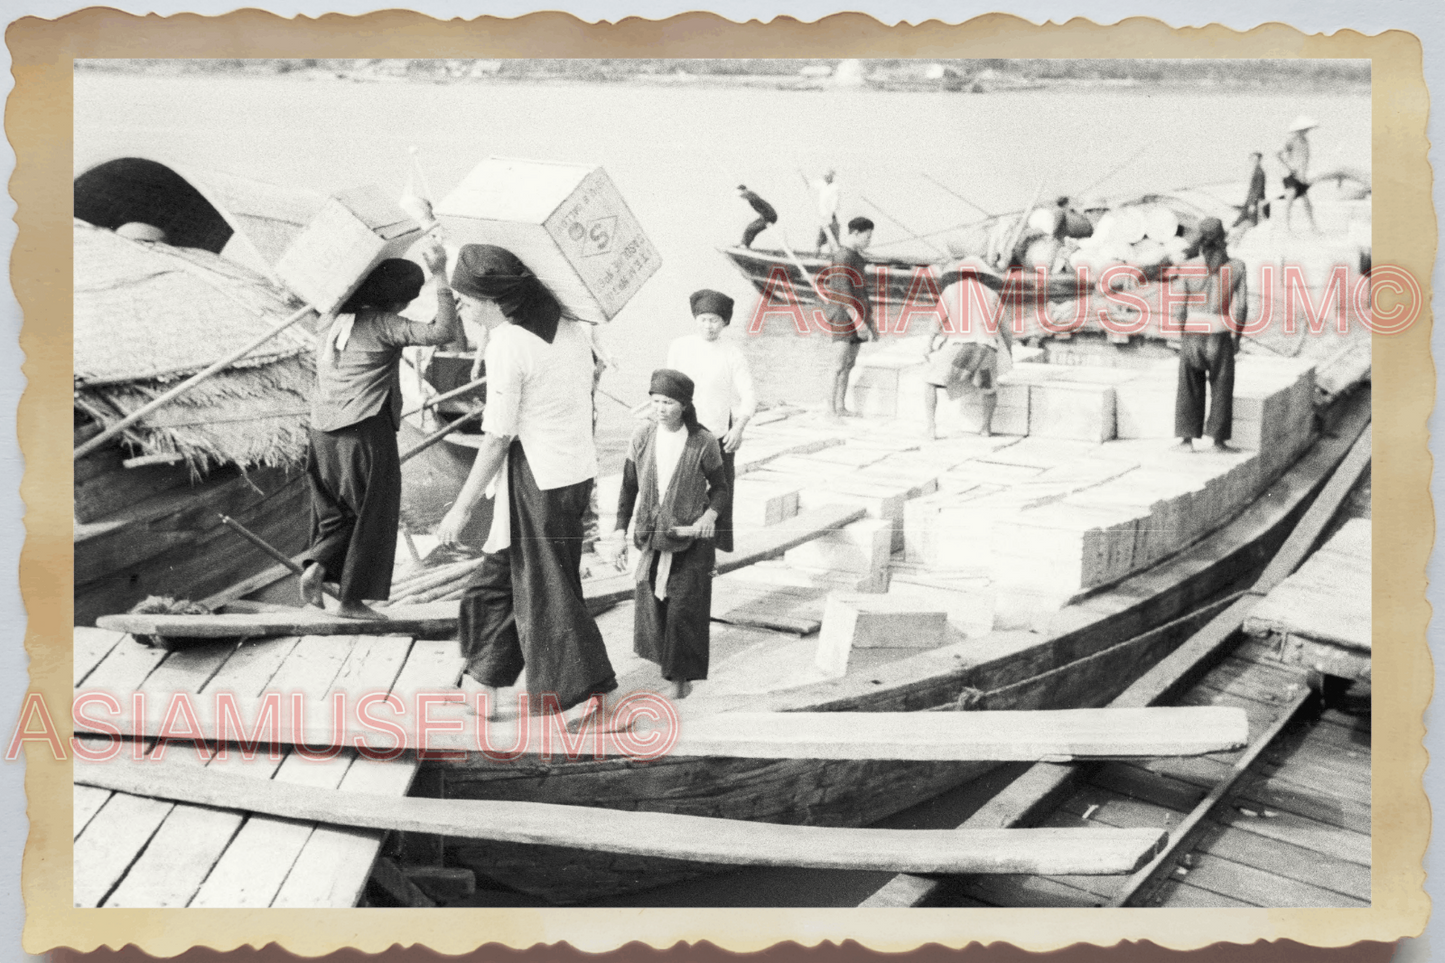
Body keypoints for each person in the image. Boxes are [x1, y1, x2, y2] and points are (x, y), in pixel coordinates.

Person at [435, 244, 616, 723]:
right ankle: (482, 678)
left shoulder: (509, 344)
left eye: (466, 298)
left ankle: (580, 695)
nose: (462, 307)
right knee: (497, 582)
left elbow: (496, 438)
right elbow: (588, 384)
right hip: (575, 472)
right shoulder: (573, 328)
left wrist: (461, 506)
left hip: (539, 476)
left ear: (492, 298)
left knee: (545, 590)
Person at [300, 247, 460, 619]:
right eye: (407, 299)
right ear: (396, 300)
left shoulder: (330, 319)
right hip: (364, 431)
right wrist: (440, 274)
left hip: (321, 433)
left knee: (338, 515)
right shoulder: (384, 324)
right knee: (375, 514)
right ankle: (353, 602)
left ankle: (317, 569)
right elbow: (444, 331)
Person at [603, 369, 729, 701]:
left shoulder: (703, 441)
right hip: (652, 539)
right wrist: (618, 533)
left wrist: (710, 515)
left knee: (684, 610)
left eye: (668, 402)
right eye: (655, 401)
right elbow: (628, 488)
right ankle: (674, 672)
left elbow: (720, 489)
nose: (660, 408)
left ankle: (678, 683)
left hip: (691, 541)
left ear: (684, 405)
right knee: (655, 611)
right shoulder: (642, 437)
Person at [665, 289, 756, 554]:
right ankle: (676, 544)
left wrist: (738, 427)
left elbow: (749, 395)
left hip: (716, 433)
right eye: (704, 319)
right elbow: (669, 386)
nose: (709, 325)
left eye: (715, 320)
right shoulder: (680, 346)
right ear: (695, 319)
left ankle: (712, 552)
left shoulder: (732, 354)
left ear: (725, 323)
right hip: (683, 431)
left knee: (719, 491)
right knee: (678, 490)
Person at [1171, 217, 1248, 453]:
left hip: (1193, 334)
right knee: (1222, 387)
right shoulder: (1237, 267)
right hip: (1220, 334)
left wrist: (1182, 333)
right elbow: (1242, 306)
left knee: (1189, 387)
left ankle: (1186, 441)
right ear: (1223, 238)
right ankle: (1218, 442)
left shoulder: (1188, 267)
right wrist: (1237, 337)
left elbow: (1179, 307)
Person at [921, 259, 1013, 440]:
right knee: (989, 389)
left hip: (960, 347)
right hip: (986, 349)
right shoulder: (992, 294)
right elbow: (1007, 331)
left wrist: (929, 345)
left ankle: (931, 428)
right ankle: (985, 428)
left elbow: (936, 321)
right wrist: (1009, 353)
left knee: (930, 381)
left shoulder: (951, 290)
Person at [822, 216, 877, 419]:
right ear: (855, 233)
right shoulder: (842, 257)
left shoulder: (857, 257)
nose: (869, 241)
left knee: (849, 364)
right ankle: (830, 410)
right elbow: (844, 294)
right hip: (843, 315)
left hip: (857, 314)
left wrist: (867, 321)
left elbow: (859, 291)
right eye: (867, 237)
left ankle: (840, 406)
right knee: (837, 365)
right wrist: (859, 321)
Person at [1277, 115, 1319, 234]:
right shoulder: (1292, 139)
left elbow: (1304, 159)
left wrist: (1303, 173)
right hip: (1290, 175)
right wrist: (1290, 167)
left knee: (1306, 203)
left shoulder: (1305, 140)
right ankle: (1287, 227)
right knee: (1290, 201)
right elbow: (1278, 153)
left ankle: (1313, 226)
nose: (1307, 130)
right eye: (1306, 128)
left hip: (1300, 176)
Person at [805, 168, 841, 254]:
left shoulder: (835, 187)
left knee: (833, 237)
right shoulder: (822, 184)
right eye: (826, 177)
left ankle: (835, 254)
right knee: (821, 237)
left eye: (828, 176)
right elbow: (809, 184)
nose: (827, 178)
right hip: (823, 215)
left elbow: (835, 204)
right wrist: (801, 174)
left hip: (830, 216)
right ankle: (817, 252)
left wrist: (829, 215)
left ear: (832, 177)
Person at [1232, 152, 1267, 230]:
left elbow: (1259, 189)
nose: (1253, 161)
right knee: (1241, 218)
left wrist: (1253, 204)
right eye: (1252, 159)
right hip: (1251, 199)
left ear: (1259, 160)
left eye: (1255, 159)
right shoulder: (1256, 171)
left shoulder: (1259, 172)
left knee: (1251, 221)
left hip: (1254, 200)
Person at [737, 184, 778, 249]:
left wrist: (768, 220)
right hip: (768, 216)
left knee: (749, 229)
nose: (741, 197)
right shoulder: (751, 197)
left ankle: (744, 245)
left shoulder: (752, 198)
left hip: (769, 217)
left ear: (744, 191)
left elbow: (766, 207)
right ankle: (745, 245)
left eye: (741, 195)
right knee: (753, 230)